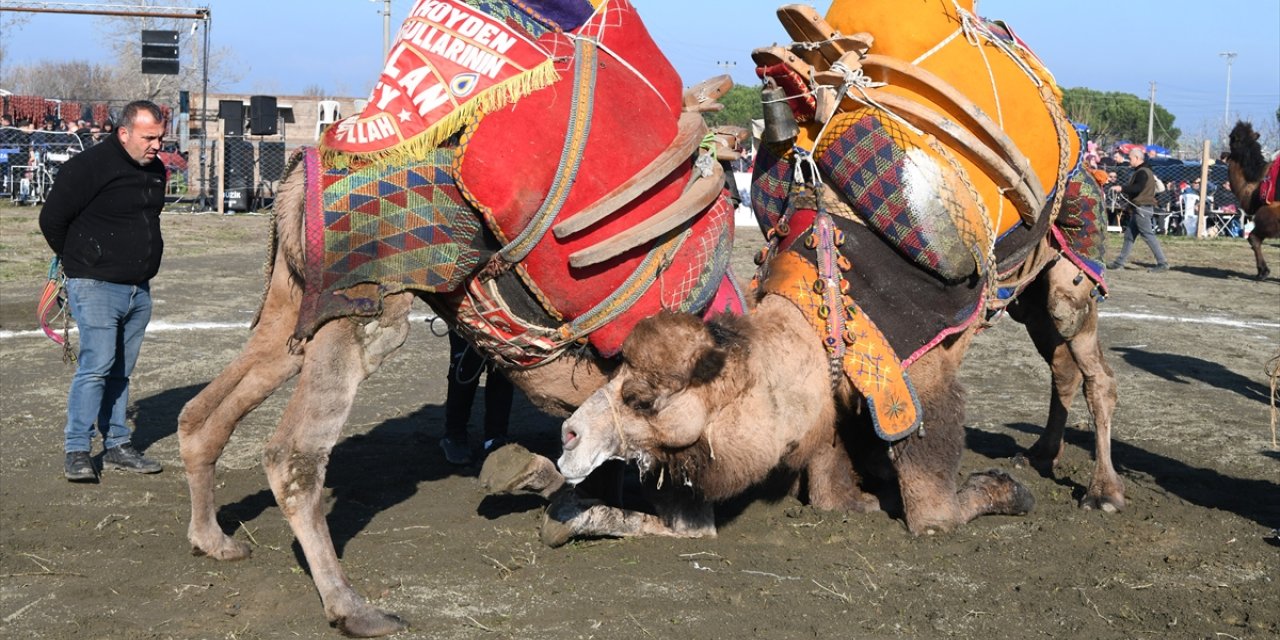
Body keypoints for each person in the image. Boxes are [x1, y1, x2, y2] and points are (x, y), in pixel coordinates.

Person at [39, 100, 168, 482]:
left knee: (121, 372)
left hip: (138, 290)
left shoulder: (156, 170)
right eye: (149, 137)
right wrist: (82, 262)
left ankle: (117, 444)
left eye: (160, 137)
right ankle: (77, 449)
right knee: (95, 367)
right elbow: (52, 220)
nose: (157, 145)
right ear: (123, 133)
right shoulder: (88, 167)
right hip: (95, 286)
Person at [438, 330, 514, 465]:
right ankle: (454, 435)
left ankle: (496, 438)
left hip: (502, 316)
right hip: (467, 315)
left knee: (502, 368)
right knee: (466, 365)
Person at [1107, 147, 1169, 272]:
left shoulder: (1142, 172)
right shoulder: (1145, 171)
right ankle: (1119, 262)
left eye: (1130, 158)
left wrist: (1121, 188)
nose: (1128, 160)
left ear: (1137, 158)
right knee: (1129, 236)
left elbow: (1137, 188)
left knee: (1148, 235)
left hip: (1142, 208)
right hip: (1140, 208)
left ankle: (1162, 263)